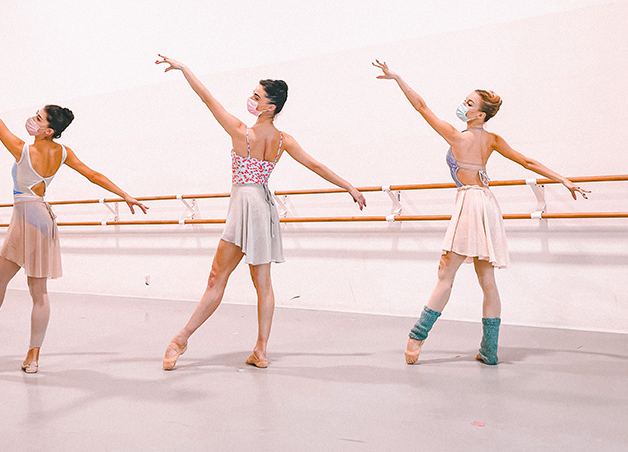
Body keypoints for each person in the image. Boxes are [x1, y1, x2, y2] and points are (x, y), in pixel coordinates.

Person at [156, 55, 367, 370]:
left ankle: (181, 339)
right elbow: (316, 165)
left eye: (257, 97)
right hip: (264, 207)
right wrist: (348, 186)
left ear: (270, 107)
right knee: (263, 282)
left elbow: (207, 98)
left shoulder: (242, 132)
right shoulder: (284, 141)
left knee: (217, 278)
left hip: (246, 205)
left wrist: (186, 69)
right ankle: (260, 350)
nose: (251, 100)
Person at [372, 60, 589, 365]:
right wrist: (563, 179)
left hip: (470, 203)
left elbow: (421, 107)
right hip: (487, 204)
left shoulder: (457, 137)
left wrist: (397, 78)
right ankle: (489, 350)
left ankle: (416, 338)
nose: (463, 105)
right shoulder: (491, 140)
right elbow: (528, 162)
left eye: (469, 103)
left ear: (480, 114)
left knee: (445, 275)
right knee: (486, 280)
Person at [0, 66, 148, 376]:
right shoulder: (62, 153)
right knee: (39, 292)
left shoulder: (23, 150)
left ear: (48, 130)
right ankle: (33, 356)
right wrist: (124, 195)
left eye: (38, 118)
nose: (32, 120)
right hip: (44, 220)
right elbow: (93, 175)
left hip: (26, 220)